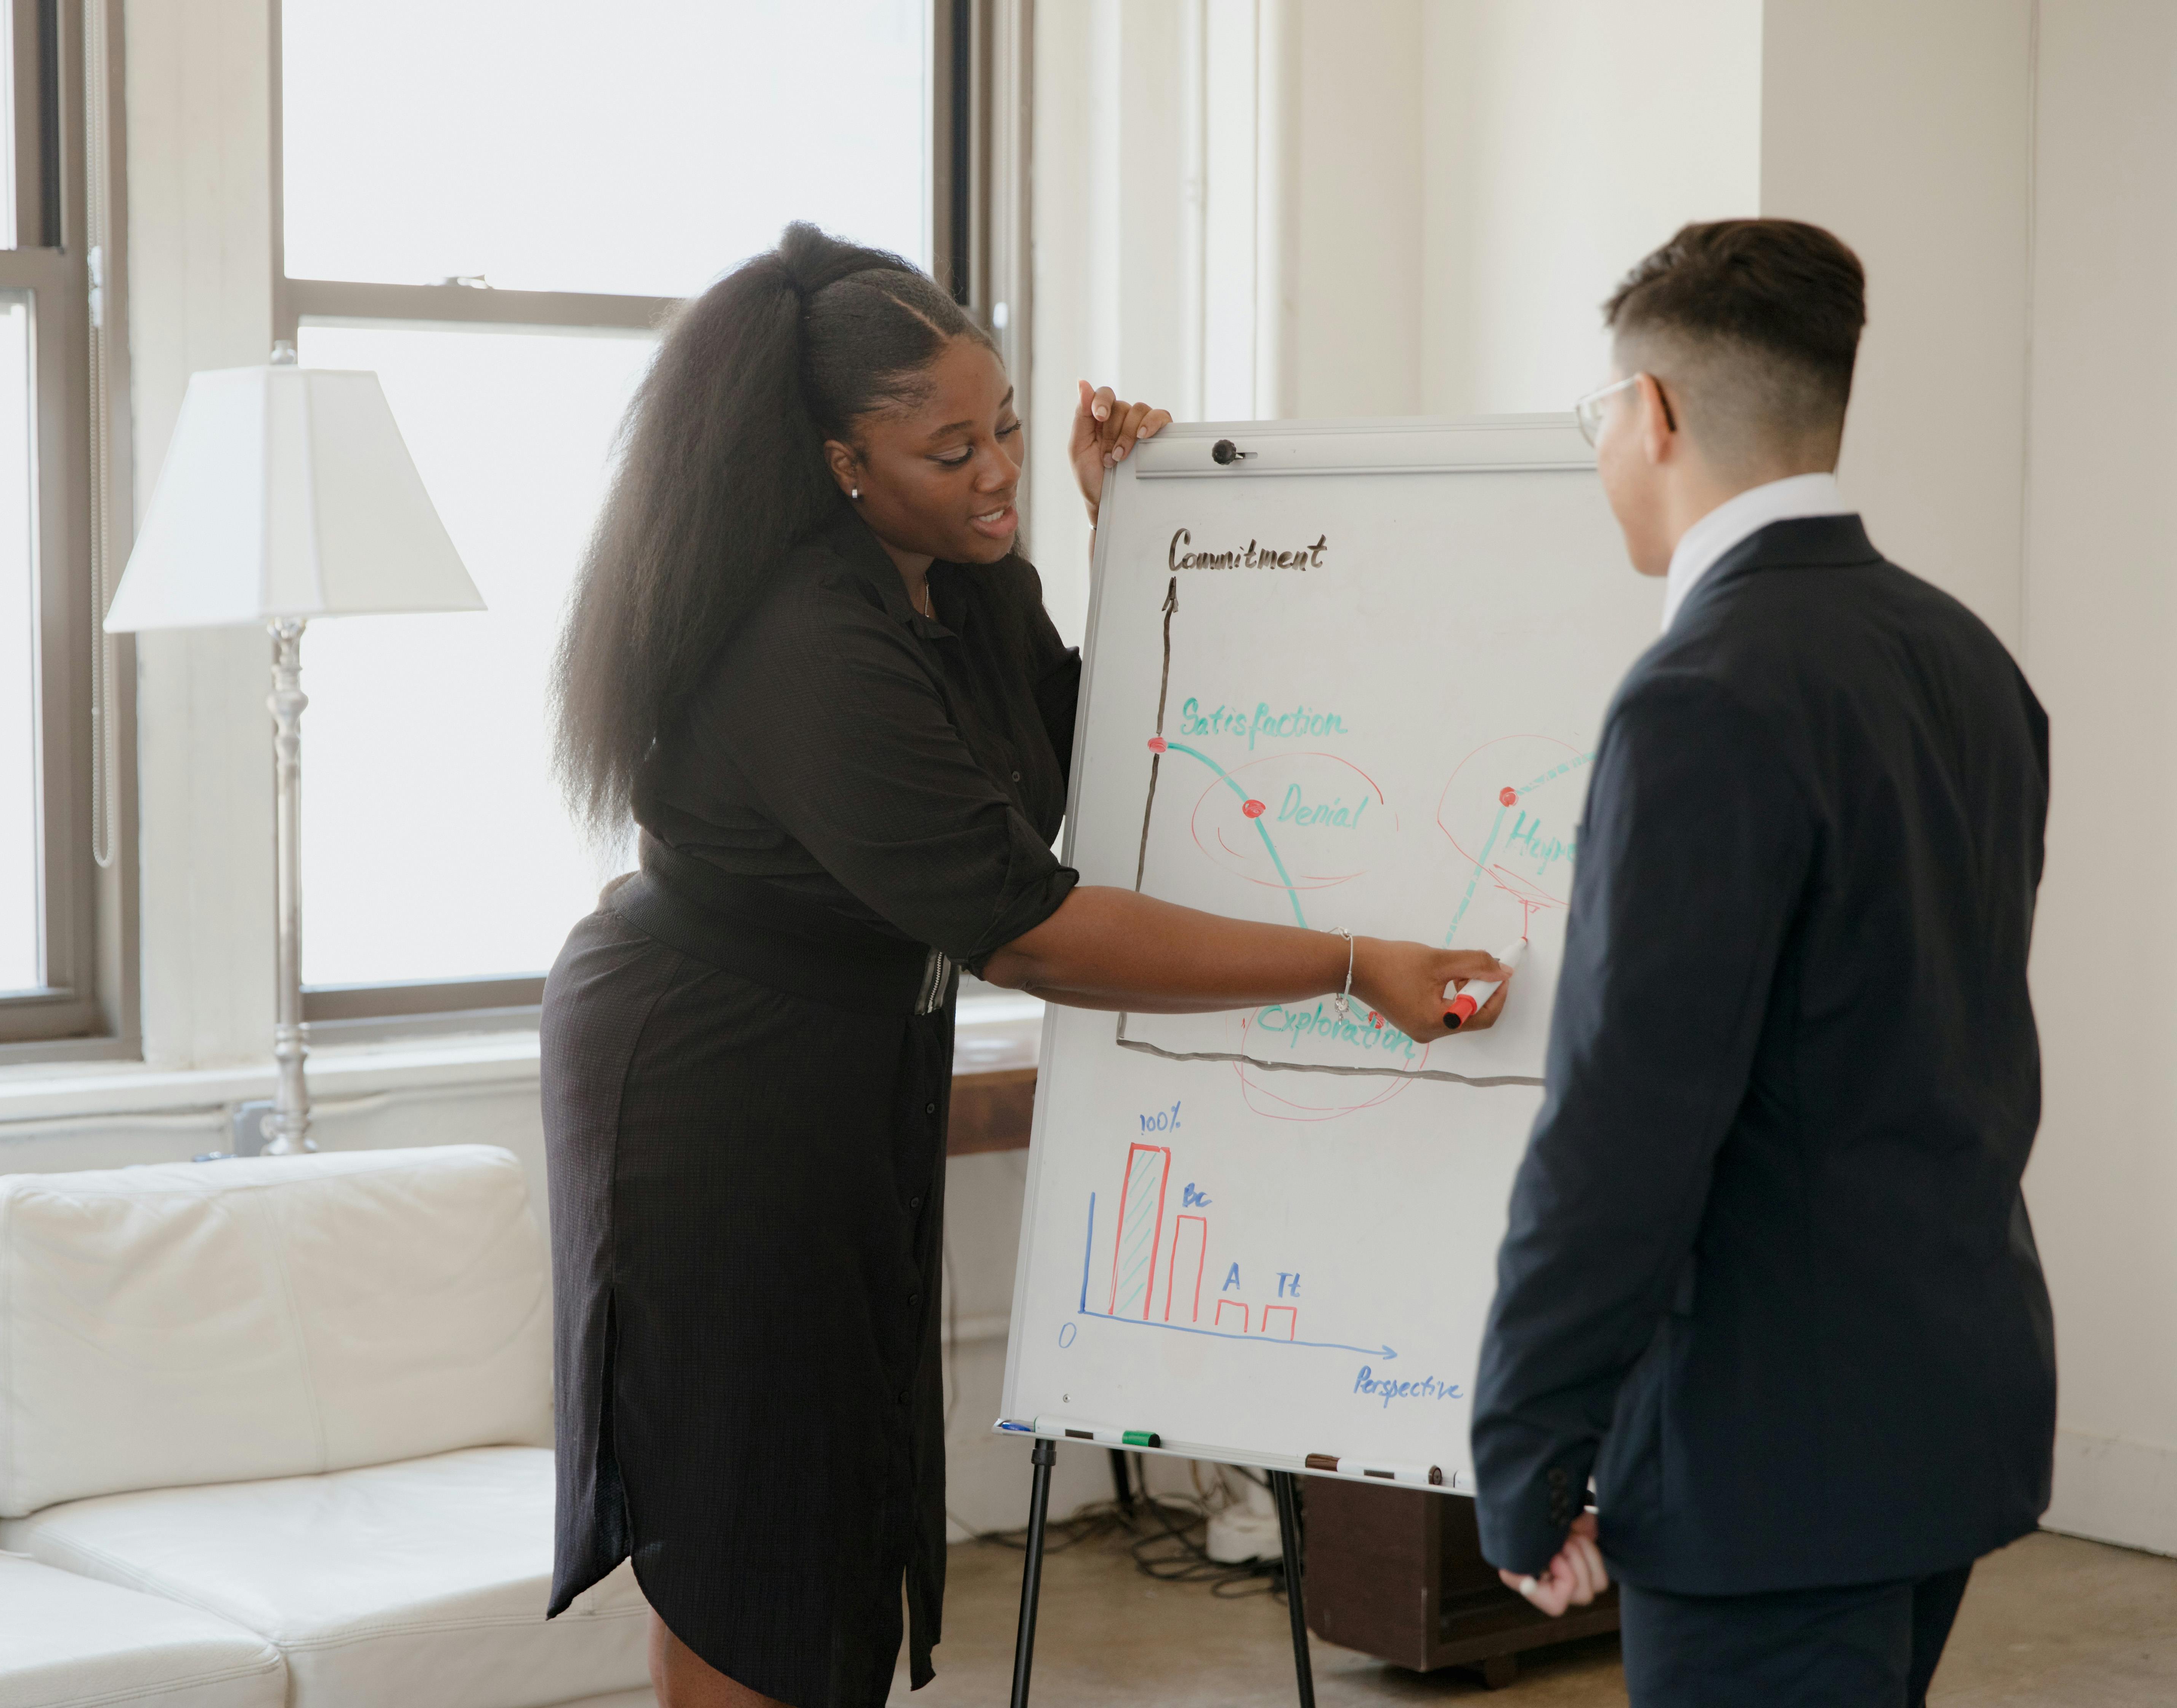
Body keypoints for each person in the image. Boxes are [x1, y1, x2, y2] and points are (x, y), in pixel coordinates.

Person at [542, 223, 1513, 1708]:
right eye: (949, 450)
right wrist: (1346, 961)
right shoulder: (806, 639)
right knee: (751, 1506)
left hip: (840, 1049)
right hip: (713, 1077)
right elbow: (1026, 921)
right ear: (836, 464)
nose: (995, 469)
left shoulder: (958, 566)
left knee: (838, 1482)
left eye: (1004, 424)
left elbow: (1065, 761)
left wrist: (1117, 523)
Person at [1469, 219, 2053, 1707]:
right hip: (1948, 1407)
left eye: (1605, 411)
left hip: (1769, 1464)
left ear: (1653, 413)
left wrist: (1525, 1445)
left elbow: (1624, 1127)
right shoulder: (1971, 663)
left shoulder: (1700, 700)